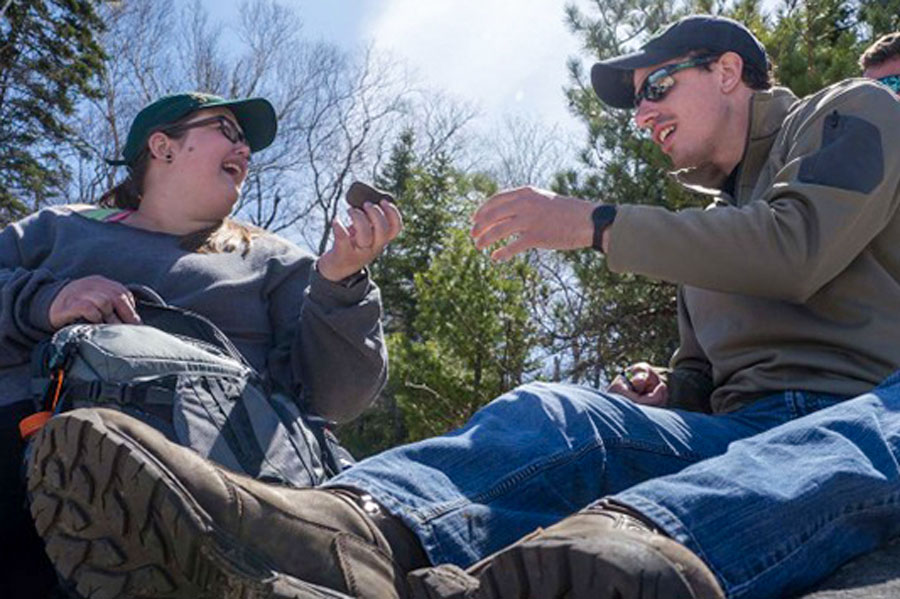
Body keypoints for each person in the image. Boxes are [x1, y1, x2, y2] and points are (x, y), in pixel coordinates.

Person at [25, 15, 900, 599]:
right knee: (558, 408)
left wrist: (591, 222)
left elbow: (796, 248)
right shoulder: (705, 239)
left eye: (656, 88)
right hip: (743, 434)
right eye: (637, 104)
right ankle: (351, 532)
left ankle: (608, 556)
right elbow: (707, 379)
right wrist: (668, 392)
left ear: (728, 69)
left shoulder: (853, 111)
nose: (642, 116)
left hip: (865, 418)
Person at [1, 92, 401, 598]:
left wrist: (343, 285)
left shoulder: (271, 259)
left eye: (247, 143)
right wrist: (47, 298)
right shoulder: (56, 229)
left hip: (211, 478)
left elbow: (338, 397)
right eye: (228, 131)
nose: (246, 150)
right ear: (163, 147)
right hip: (24, 446)